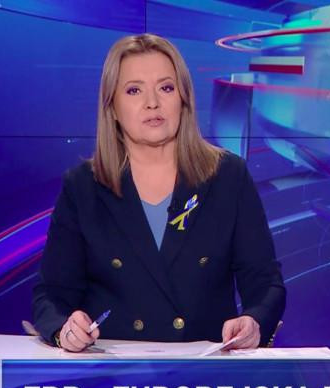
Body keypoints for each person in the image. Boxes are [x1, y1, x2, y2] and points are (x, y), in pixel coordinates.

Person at [32, 34, 285, 352]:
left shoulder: (228, 176)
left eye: (166, 88)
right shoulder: (83, 186)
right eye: (134, 90)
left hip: (204, 370)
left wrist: (253, 321)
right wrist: (65, 329)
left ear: (184, 99)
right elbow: (51, 296)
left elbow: (265, 283)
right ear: (112, 107)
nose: (152, 103)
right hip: (114, 370)